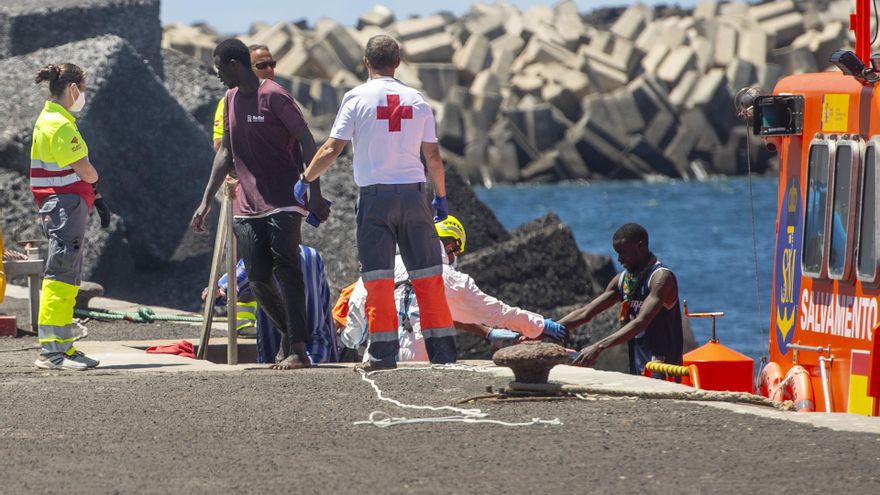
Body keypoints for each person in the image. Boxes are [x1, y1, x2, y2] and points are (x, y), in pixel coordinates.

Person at [297, 35, 455, 370]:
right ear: (397, 61)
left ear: (366, 62)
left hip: (375, 200)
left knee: (378, 278)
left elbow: (331, 149)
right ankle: (443, 355)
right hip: (415, 197)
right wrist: (440, 199)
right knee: (428, 275)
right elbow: (434, 157)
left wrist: (305, 180)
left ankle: (383, 356)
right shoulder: (417, 99)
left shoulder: (356, 98)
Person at [191, 39, 329, 370]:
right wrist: (205, 201)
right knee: (256, 279)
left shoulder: (275, 96)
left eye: (219, 68)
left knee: (288, 270)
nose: (218, 75)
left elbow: (308, 142)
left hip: (284, 200)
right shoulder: (229, 99)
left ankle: (298, 347)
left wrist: (314, 191)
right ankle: (289, 334)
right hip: (248, 205)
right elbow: (225, 153)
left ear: (234, 64)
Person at [338, 215, 568, 361]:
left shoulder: (383, 266)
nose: (456, 258)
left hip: (377, 357)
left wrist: (351, 341)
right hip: (418, 357)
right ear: (449, 245)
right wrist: (538, 326)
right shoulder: (449, 277)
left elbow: (357, 309)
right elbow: (495, 312)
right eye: (456, 252)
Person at [30, 63, 112, 370]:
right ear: (73, 88)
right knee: (61, 273)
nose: (84, 95)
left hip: (62, 203)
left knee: (65, 273)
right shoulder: (60, 125)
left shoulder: (50, 118)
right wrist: (95, 179)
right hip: (64, 205)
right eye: (84, 88)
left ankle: (62, 346)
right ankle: (52, 351)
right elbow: (85, 169)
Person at [559, 223, 683, 376]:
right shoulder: (624, 280)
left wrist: (598, 347)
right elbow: (586, 313)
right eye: (617, 253)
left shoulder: (661, 278)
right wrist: (547, 328)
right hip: (638, 369)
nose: (619, 259)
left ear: (641, 246)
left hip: (664, 369)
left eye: (623, 253)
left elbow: (640, 323)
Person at [213, 245, 338, 364]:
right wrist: (219, 289)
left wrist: (311, 361)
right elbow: (232, 281)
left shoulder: (308, 259)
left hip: (314, 357)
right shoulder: (258, 258)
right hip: (272, 355)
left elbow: (316, 332)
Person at [212, 44, 278, 151]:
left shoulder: (280, 99)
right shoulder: (228, 102)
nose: (270, 69)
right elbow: (219, 144)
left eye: (272, 64)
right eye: (262, 65)